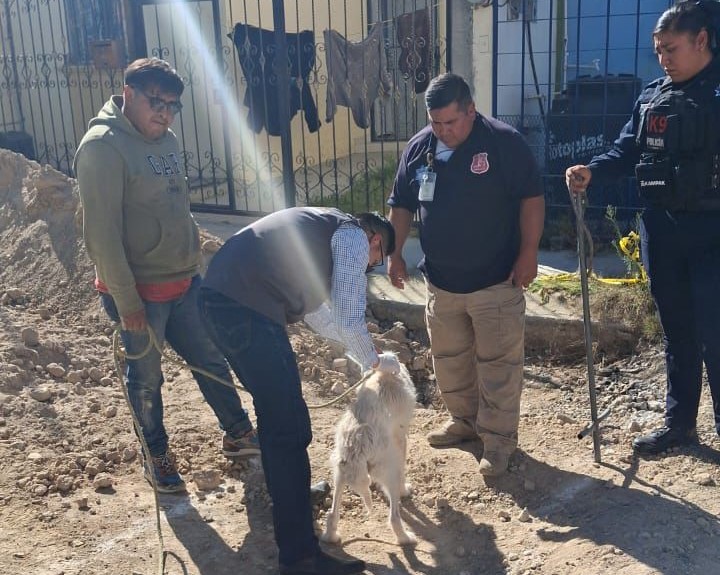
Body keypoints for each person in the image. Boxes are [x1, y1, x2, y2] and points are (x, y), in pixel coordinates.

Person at [73, 57, 259, 494]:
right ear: (128, 94)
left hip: (183, 281)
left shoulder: (168, 140)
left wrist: (194, 264)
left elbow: (176, 207)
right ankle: (155, 454)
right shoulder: (102, 148)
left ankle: (238, 432)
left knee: (209, 358)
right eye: (156, 102)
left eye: (172, 105)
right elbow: (102, 236)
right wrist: (127, 302)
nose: (165, 113)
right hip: (139, 293)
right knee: (146, 379)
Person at [197, 206, 398, 575]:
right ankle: (300, 557)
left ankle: (293, 502)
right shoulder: (352, 235)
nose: (371, 266)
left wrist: (365, 354)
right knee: (288, 430)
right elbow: (349, 318)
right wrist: (375, 360)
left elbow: (324, 319)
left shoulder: (321, 235)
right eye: (377, 259)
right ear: (375, 240)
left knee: (278, 422)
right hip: (247, 310)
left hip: (218, 303)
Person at [566, 1, 720, 456]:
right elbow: (626, 150)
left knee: (716, 334)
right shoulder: (653, 96)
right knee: (678, 333)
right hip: (664, 229)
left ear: (701, 41)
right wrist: (591, 171)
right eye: (658, 51)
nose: (663, 59)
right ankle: (680, 426)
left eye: (671, 49)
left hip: (713, 231)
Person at [387, 73, 545, 476]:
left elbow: (531, 198)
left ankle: (498, 441)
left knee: (498, 366)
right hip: (442, 283)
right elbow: (402, 204)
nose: (442, 131)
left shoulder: (504, 143)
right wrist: (395, 252)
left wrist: (528, 252)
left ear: (471, 110)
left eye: (450, 122)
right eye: (435, 122)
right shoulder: (419, 147)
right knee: (450, 360)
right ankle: (465, 422)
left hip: (496, 280)